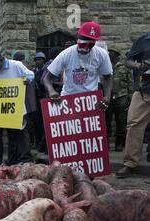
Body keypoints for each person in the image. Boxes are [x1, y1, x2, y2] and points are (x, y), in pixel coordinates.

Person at [42, 21, 113, 110]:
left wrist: (107, 96)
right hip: (68, 100)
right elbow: (47, 78)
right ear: (78, 37)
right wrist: (51, 91)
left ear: (95, 42)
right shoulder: (66, 54)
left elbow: (107, 77)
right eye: (82, 44)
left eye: (90, 44)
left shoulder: (101, 54)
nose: (86, 47)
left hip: (91, 101)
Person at [0, 51, 35, 165]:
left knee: (16, 135)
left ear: (1, 60)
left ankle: (19, 160)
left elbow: (31, 75)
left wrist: (24, 80)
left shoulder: (16, 65)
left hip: (15, 107)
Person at [116, 31, 150, 178]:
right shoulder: (143, 40)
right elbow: (128, 61)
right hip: (144, 88)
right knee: (134, 124)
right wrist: (140, 65)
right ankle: (130, 163)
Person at [107, 45, 132, 152]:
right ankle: (106, 144)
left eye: (112, 52)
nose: (110, 54)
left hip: (121, 96)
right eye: (109, 52)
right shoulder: (104, 66)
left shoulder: (123, 68)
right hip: (107, 98)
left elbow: (130, 83)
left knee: (121, 121)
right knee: (106, 121)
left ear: (117, 55)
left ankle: (119, 144)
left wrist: (130, 98)